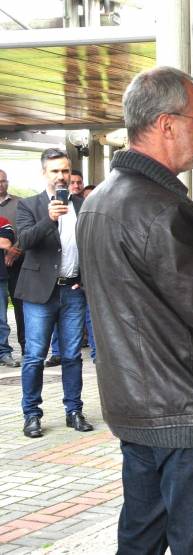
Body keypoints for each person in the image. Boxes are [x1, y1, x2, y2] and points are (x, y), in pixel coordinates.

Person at [76, 66, 193, 552]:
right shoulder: (165, 209)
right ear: (167, 124)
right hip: (183, 410)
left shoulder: (99, 201)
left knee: (140, 541)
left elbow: (149, 297)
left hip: (133, 405)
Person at [16, 147, 93, 439]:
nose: (61, 176)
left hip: (72, 292)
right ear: (44, 173)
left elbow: (91, 245)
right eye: (55, 171)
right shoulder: (29, 205)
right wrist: (49, 219)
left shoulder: (82, 205)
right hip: (39, 295)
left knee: (72, 356)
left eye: (65, 170)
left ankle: (74, 411)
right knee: (35, 356)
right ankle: (31, 415)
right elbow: (25, 241)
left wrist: (84, 279)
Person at [0, 169, 19, 368]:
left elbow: (6, 243)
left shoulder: (4, 221)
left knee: (1, 318)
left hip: (4, 273)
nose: (0, 184)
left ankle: (4, 352)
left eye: (3, 181)